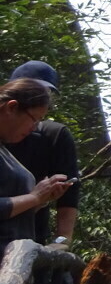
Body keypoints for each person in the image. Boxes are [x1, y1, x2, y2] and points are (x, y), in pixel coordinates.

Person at [6, 61, 82, 249]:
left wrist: (61, 241)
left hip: (29, 243)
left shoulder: (53, 135)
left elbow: (69, 195)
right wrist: (35, 198)